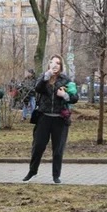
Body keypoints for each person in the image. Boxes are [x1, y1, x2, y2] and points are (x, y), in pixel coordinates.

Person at [23, 54, 78, 184]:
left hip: (60, 119)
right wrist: (47, 75)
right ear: (49, 64)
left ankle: (56, 175)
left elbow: (75, 97)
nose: (55, 65)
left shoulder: (66, 80)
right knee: (38, 146)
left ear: (61, 66)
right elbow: (37, 88)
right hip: (44, 118)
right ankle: (32, 171)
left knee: (58, 149)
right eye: (52, 62)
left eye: (58, 63)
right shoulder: (44, 77)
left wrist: (65, 95)